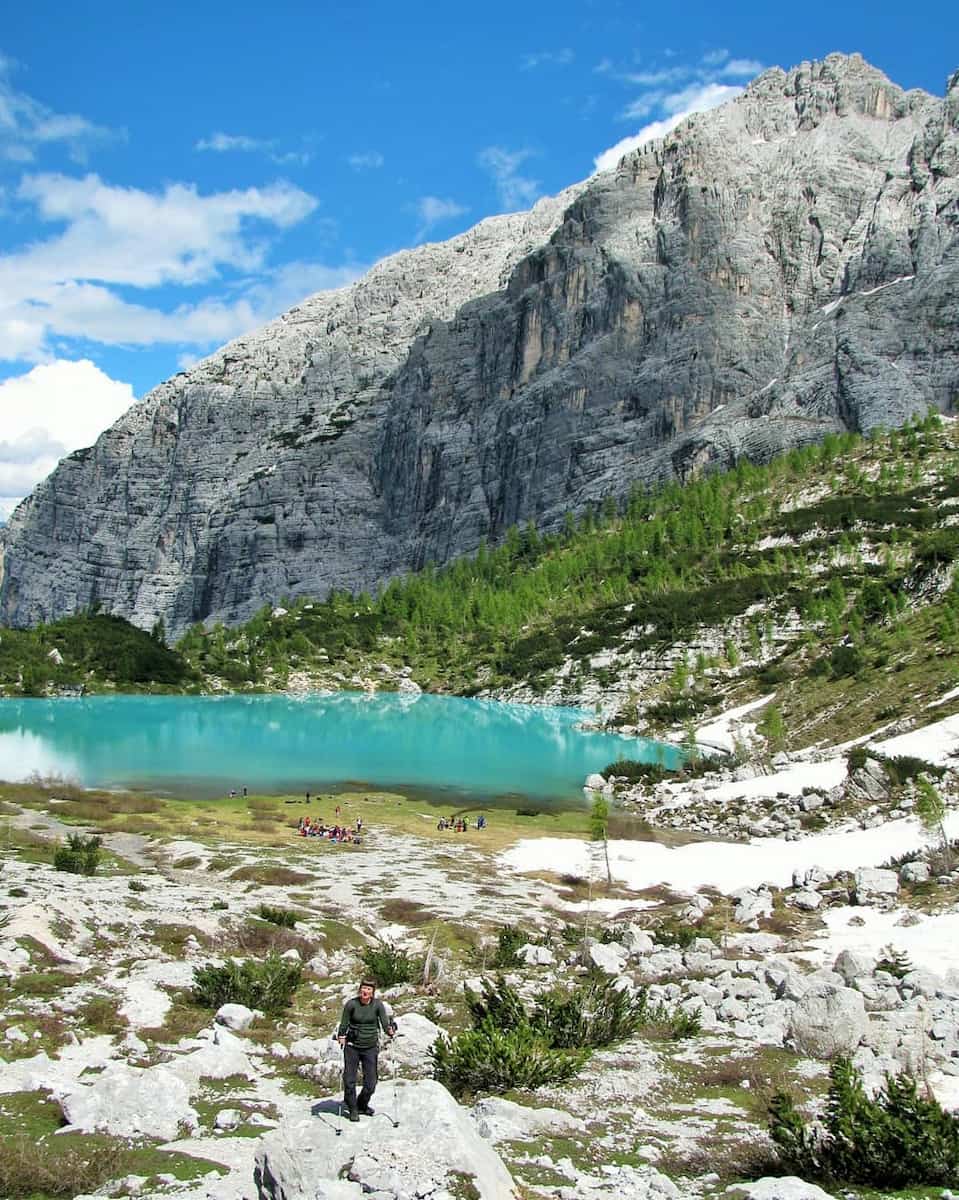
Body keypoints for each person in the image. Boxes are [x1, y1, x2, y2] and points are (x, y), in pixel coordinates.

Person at [337, 979, 396, 1120]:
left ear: (372, 992)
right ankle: (352, 1109)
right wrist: (341, 1035)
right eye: (364, 988)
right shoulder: (351, 1004)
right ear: (360, 990)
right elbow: (344, 1022)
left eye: (369, 989)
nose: (365, 991)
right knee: (349, 1080)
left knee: (371, 1082)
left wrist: (390, 1030)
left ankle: (362, 1104)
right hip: (352, 1046)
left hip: (370, 1047)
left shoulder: (377, 1005)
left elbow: (384, 1023)